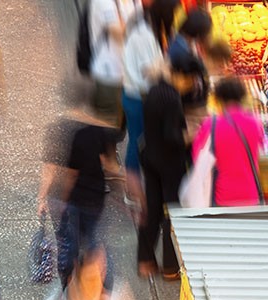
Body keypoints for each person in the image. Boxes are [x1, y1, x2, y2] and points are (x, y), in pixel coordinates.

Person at [37, 101, 121, 287]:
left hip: (62, 200)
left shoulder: (56, 130)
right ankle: (103, 286)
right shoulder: (97, 129)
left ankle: (68, 287)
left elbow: (50, 169)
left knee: (67, 246)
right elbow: (109, 165)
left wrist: (42, 197)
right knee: (95, 241)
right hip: (93, 197)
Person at [137, 50, 200, 279]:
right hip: (168, 162)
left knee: (152, 208)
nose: (192, 84)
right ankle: (170, 267)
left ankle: (145, 260)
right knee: (173, 212)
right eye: (191, 79)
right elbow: (172, 137)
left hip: (150, 156)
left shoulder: (154, 89)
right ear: (180, 75)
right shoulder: (172, 98)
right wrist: (191, 133)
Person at [191, 77, 263, 207]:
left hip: (222, 195)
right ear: (242, 97)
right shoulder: (255, 123)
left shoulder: (211, 124)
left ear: (218, 99)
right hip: (250, 195)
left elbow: (197, 157)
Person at [122, 6, 164, 207]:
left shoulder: (141, 29)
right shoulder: (143, 36)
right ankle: (132, 192)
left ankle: (134, 189)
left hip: (132, 94)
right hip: (137, 97)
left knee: (136, 141)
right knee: (137, 144)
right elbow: (150, 70)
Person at [89, 0, 138, 127]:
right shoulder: (105, 2)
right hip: (108, 75)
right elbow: (117, 33)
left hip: (127, 74)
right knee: (105, 125)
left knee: (120, 125)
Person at [167, 8, 212, 141]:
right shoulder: (180, 52)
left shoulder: (181, 40)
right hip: (188, 109)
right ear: (199, 33)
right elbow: (182, 84)